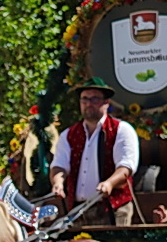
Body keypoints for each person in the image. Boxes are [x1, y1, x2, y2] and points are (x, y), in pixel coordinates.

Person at [49, 78, 139, 224]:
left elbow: (126, 166)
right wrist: (58, 183)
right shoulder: (68, 134)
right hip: (78, 210)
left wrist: (109, 183)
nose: (88, 104)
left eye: (94, 99)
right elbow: (59, 165)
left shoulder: (121, 130)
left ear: (106, 103)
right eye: (84, 99)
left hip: (113, 209)